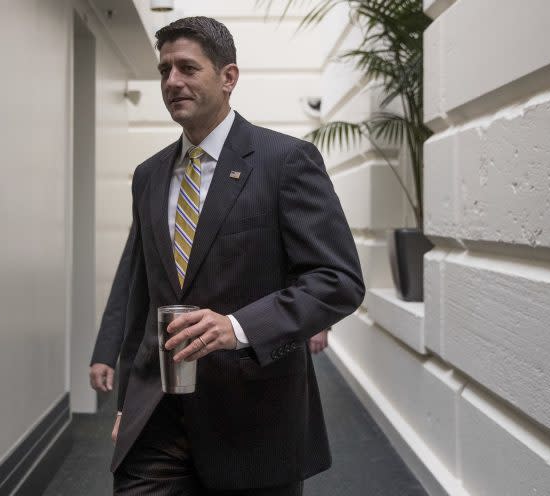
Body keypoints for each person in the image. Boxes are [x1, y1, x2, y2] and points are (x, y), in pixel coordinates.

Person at [111, 16, 364, 495]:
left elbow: (337, 281)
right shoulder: (147, 176)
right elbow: (142, 300)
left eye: (187, 68)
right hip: (158, 418)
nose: (172, 82)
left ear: (229, 77)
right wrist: (128, 403)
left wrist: (238, 328)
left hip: (255, 418)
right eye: (164, 70)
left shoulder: (286, 161)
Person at [88, 231, 331, 394]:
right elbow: (129, 280)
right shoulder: (152, 179)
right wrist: (105, 352)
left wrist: (317, 322)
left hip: (244, 371)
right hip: (162, 368)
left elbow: (314, 268)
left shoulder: (275, 165)